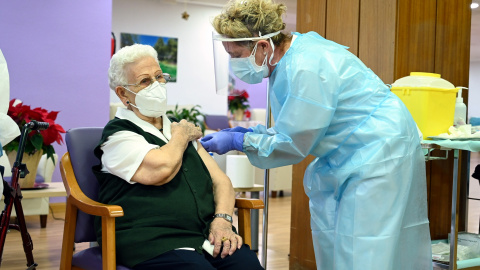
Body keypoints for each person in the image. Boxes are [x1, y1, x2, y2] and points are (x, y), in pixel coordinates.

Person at [201, 0, 432, 269]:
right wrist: (249, 134)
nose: (233, 63)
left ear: (262, 46)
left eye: (235, 55)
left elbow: (292, 142)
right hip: (350, 151)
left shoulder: (307, 66)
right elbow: (293, 126)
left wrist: (239, 140)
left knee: (365, 248)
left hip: (379, 151)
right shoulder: (285, 62)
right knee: (337, 243)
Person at [92, 44, 263, 270]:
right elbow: (162, 170)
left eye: (159, 76)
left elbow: (221, 181)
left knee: (247, 266)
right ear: (123, 93)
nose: (157, 85)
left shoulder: (175, 131)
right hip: (150, 241)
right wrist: (181, 135)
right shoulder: (119, 136)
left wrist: (222, 219)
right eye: (145, 81)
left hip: (202, 236)